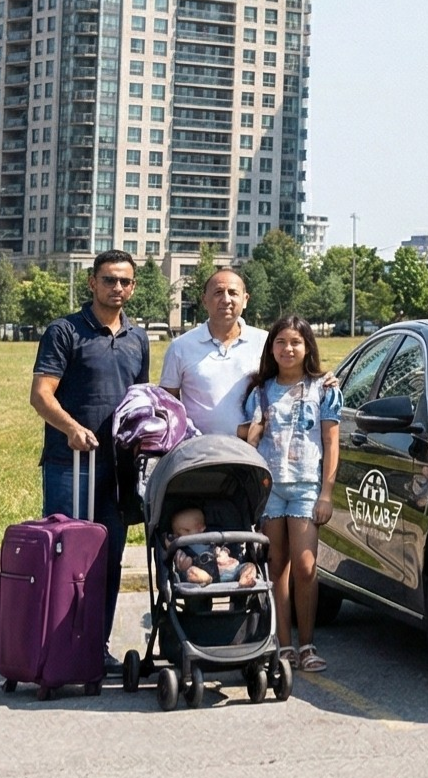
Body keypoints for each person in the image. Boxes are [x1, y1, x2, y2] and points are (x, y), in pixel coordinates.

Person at [29, 251, 150, 632]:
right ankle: (57, 648)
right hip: (71, 465)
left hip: (117, 469)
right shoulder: (64, 331)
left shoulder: (138, 338)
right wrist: (71, 428)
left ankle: (96, 646)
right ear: (92, 283)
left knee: (108, 558)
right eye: (110, 280)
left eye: (125, 282)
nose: (117, 288)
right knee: (65, 555)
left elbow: (139, 399)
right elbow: (41, 395)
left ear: (132, 287)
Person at [238, 316, 341, 672]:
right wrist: (253, 432)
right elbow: (250, 441)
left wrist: (326, 493)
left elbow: (331, 442)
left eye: (296, 342)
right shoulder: (261, 391)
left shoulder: (324, 389)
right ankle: (284, 646)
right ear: (272, 348)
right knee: (276, 567)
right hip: (270, 489)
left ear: (308, 347)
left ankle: (307, 643)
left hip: (305, 487)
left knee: (306, 566)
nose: (288, 349)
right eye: (280, 342)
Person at [160, 265, 267, 437]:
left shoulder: (265, 342)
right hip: (199, 452)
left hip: (252, 450)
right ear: (204, 300)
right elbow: (167, 404)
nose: (226, 299)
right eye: (218, 292)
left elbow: (291, 382)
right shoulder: (180, 347)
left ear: (245, 299)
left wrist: (323, 380)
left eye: (233, 293)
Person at [166, 508, 259, 588]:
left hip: (226, 571)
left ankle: (246, 578)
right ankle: (205, 579)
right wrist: (184, 564)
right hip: (201, 573)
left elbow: (227, 549)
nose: (180, 536)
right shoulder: (183, 548)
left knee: (249, 566)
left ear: (200, 529)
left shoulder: (214, 540)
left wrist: (224, 554)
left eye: (186, 530)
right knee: (191, 572)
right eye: (177, 534)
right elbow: (181, 562)